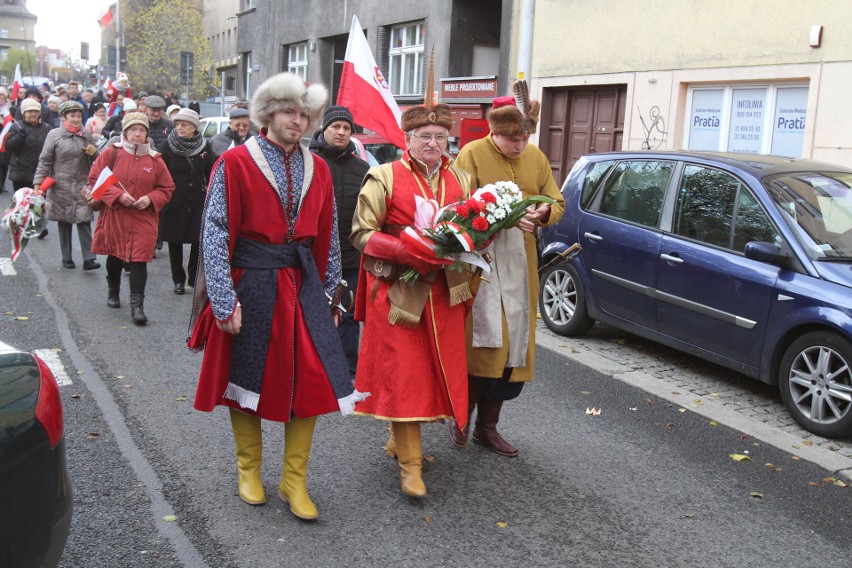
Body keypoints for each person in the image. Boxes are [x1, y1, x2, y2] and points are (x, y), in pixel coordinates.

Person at [189, 72, 365, 520]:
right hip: (251, 280)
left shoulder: (319, 167)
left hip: (302, 284)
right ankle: (249, 471)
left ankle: (294, 480)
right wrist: (223, 299)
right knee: (247, 377)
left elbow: (327, 235)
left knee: (309, 378)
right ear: (267, 113)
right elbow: (214, 231)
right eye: (290, 111)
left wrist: (331, 291)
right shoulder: (235, 163)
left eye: (305, 114)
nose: (298, 120)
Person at [350, 97, 473, 498]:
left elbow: (475, 225)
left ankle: (398, 439)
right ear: (408, 138)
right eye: (425, 136)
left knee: (435, 376)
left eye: (440, 136)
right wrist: (405, 250)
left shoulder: (462, 179)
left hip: (447, 294)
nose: (433, 143)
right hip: (400, 294)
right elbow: (361, 235)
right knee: (406, 378)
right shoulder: (382, 176)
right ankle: (411, 467)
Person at [449, 82, 565, 457]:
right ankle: (461, 416)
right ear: (494, 132)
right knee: (485, 342)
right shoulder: (471, 154)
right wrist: (498, 218)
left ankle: (488, 426)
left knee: (514, 344)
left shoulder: (536, 157)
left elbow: (556, 199)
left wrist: (543, 212)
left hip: (522, 263)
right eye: (511, 138)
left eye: (523, 138)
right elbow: (456, 206)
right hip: (484, 263)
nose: (519, 146)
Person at [88, 112, 175, 324]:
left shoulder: (155, 160)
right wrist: (118, 195)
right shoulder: (111, 153)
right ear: (125, 133)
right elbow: (94, 180)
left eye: (141, 130)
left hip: (143, 217)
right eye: (133, 130)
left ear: (147, 134)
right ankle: (113, 290)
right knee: (115, 255)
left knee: (139, 259)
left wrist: (150, 198)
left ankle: (137, 307)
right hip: (116, 214)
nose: (137, 134)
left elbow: (167, 187)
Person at [309, 105, 369, 378]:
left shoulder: (362, 168)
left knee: (347, 313)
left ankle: (347, 370)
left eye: (347, 128)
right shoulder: (307, 161)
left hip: (350, 255)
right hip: (313, 253)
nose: (342, 132)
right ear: (324, 129)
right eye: (336, 127)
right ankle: (313, 365)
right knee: (313, 311)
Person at [33, 101, 100, 270]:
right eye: (72, 116)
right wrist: (38, 184)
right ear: (64, 118)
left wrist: (95, 153)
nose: (76, 119)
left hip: (82, 184)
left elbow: (98, 161)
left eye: (78, 116)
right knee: (64, 222)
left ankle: (89, 258)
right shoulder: (54, 135)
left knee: (84, 219)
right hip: (60, 185)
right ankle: (67, 257)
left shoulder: (85, 134)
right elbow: (45, 160)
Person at [158, 108, 215, 295]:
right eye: (178, 124)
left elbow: (212, 173)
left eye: (185, 124)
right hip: (174, 201)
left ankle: (193, 277)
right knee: (174, 242)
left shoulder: (204, 147)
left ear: (194, 127)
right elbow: (159, 173)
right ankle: (178, 280)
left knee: (197, 241)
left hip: (197, 202)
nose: (180, 127)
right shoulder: (168, 146)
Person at [5, 98, 52, 192]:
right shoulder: (16, 127)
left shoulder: (47, 128)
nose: (33, 114)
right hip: (20, 174)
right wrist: (20, 136)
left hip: (40, 172)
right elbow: (9, 146)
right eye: (30, 111)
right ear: (24, 113)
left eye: (36, 111)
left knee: (39, 203)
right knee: (22, 203)